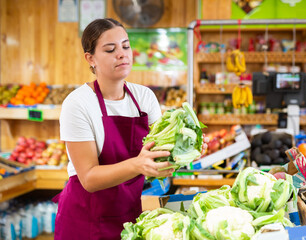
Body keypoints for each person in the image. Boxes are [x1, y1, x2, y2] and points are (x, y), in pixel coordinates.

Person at [53, 18, 205, 240]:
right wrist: (138, 165)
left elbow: (160, 153)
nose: (122, 54)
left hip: (128, 217)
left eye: (125, 46)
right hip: (85, 219)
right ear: (91, 58)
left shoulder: (144, 97)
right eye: (110, 49)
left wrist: (188, 146)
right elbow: (89, 178)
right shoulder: (78, 103)